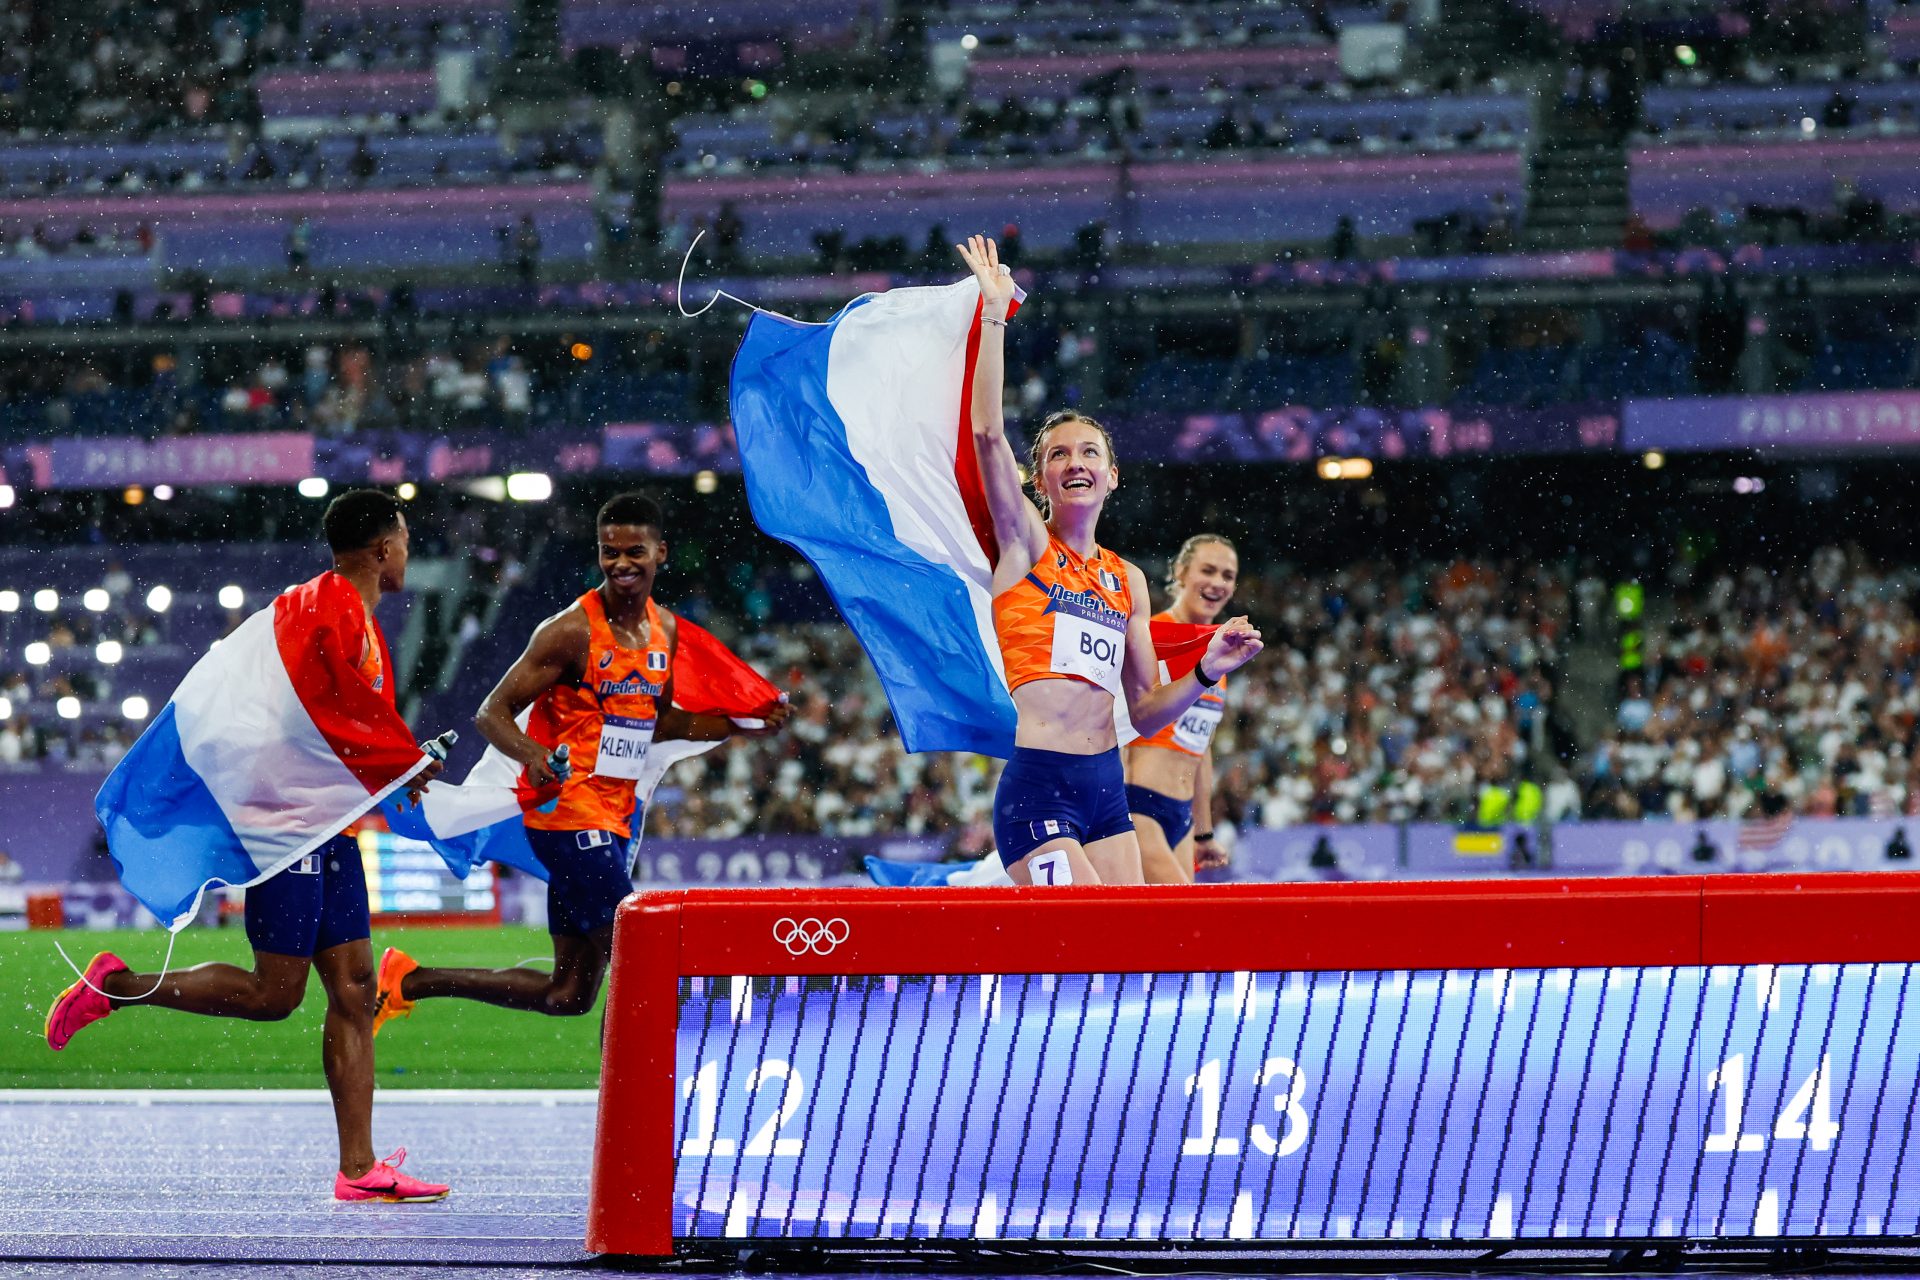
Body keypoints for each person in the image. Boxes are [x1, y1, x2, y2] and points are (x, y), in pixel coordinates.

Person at [45, 489, 450, 1203]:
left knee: (354, 992)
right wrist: (400, 759)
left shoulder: (342, 613)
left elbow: (339, 717)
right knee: (273, 995)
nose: (409, 553)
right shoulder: (328, 609)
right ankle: (116, 986)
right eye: (407, 540)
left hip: (328, 829)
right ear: (384, 548)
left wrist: (398, 767)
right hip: (289, 828)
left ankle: (359, 1171)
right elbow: (321, 710)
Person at [372, 492, 789, 1025]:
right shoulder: (570, 631)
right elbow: (491, 713)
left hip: (609, 818)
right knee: (647, 956)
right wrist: (535, 755)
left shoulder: (667, 632)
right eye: (609, 552)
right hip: (566, 814)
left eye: (634, 551)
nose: (621, 564)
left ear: (661, 553)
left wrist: (739, 725)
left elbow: (663, 723)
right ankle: (639, 1103)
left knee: (568, 994)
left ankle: (411, 979)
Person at [957, 233, 1263, 886]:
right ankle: (958, 893)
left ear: (1112, 477)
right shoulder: (1024, 545)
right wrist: (992, 313)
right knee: (1085, 941)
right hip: (1040, 787)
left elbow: (1146, 711)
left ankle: (972, 890)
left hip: (1106, 795)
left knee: (1133, 962)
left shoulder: (1127, 580)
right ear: (1038, 479)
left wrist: (1206, 670)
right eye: (1059, 454)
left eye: (1089, 452)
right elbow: (986, 433)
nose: (1076, 462)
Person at [1125, 534, 1241, 884]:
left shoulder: (1218, 654)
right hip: (1138, 808)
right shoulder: (1151, 636)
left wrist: (1203, 833)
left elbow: (1199, 750)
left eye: (1227, 575)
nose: (1217, 583)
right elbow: (1113, 730)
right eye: (1208, 570)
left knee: (1168, 933)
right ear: (1180, 572)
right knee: (1186, 926)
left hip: (1180, 818)